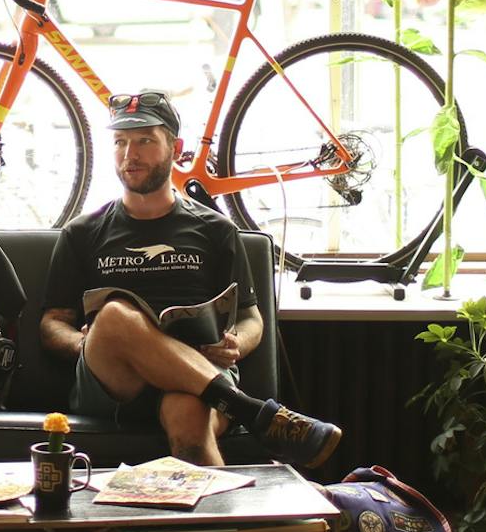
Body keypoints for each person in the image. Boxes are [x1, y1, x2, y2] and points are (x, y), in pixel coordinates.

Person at [38, 89, 344, 468]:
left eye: (145, 140)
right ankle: (250, 411)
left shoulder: (215, 229)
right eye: (120, 142)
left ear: (176, 147)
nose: (130, 154)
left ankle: (215, 507)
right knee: (115, 315)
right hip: (115, 380)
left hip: (198, 371)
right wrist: (83, 342)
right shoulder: (82, 232)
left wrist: (236, 343)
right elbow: (52, 323)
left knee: (190, 422)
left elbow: (251, 318)